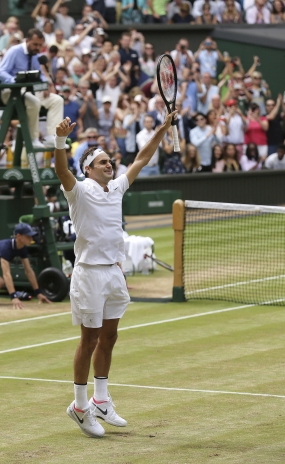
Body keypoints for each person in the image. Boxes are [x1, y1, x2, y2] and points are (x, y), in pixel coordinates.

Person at [54, 110, 176, 438]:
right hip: (89, 275)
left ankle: (101, 400)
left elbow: (143, 156)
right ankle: (80, 407)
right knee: (89, 339)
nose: (110, 165)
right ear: (88, 169)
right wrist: (61, 139)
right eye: (103, 162)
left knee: (110, 337)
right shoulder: (77, 190)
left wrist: (163, 128)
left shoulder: (118, 187)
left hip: (113, 274)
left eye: (110, 162)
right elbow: (61, 168)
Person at [0, 28, 63, 148]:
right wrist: (14, 81)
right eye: (35, 44)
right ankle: (33, 139)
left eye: (40, 45)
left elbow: (41, 74)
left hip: (30, 92)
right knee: (35, 102)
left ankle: (50, 137)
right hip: (11, 93)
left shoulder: (36, 55)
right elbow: (0, 72)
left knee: (57, 100)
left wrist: (45, 84)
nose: (38, 47)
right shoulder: (14, 51)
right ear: (27, 41)